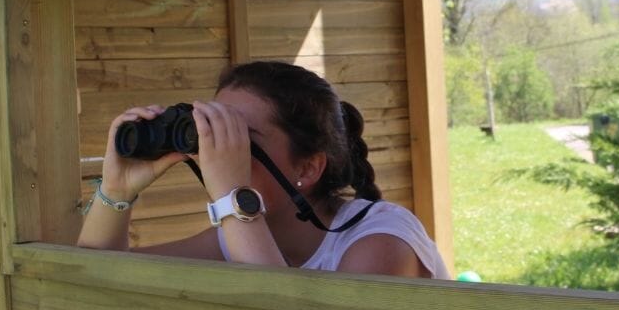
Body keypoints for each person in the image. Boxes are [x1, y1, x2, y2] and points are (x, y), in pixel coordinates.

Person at [77, 60, 450, 279]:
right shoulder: (235, 239)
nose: (216, 153)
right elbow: (95, 278)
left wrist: (231, 202)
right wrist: (117, 191)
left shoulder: (382, 241)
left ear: (308, 167)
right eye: (215, 131)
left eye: (240, 139)